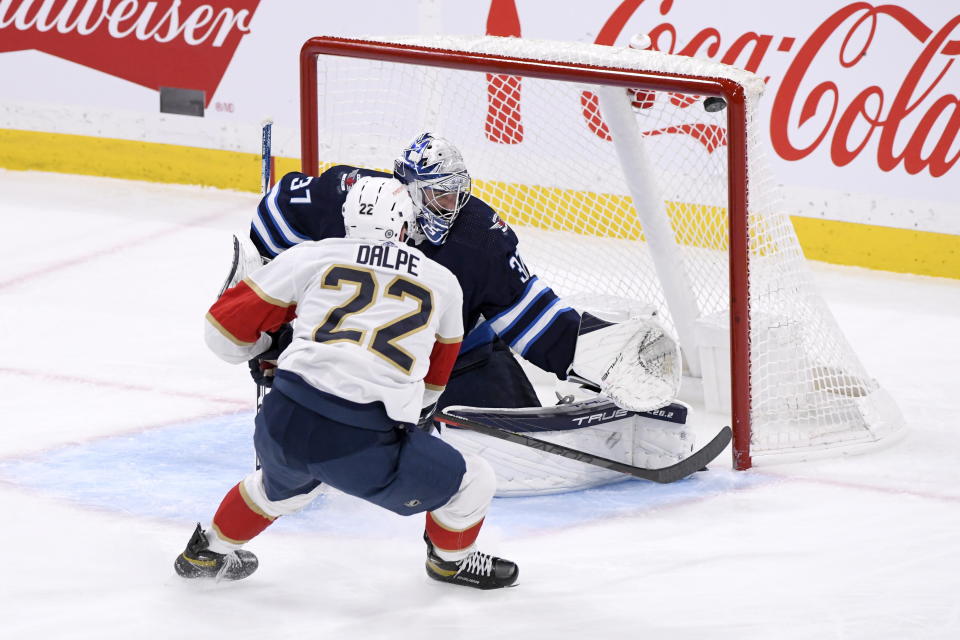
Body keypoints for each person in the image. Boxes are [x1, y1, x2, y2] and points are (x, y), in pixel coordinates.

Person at [175, 176, 518, 589]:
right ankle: (451, 562)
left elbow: (222, 333)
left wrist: (265, 347)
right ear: (406, 225)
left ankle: (207, 551)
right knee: (474, 479)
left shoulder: (311, 256)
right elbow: (431, 389)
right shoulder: (443, 282)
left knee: (282, 485)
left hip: (281, 420)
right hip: (362, 444)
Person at [245, 132, 582, 412]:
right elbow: (273, 221)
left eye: (456, 193)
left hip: (459, 361)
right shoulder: (348, 199)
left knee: (514, 456)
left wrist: (587, 361)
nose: (452, 205)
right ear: (410, 188)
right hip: (343, 358)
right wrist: (273, 333)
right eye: (440, 193)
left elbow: (533, 316)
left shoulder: (480, 235)